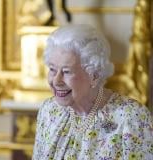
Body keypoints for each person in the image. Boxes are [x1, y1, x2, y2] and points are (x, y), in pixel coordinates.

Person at [32, 24, 153, 160]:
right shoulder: (49, 111)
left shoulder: (132, 118)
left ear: (94, 75)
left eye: (67, 71)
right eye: (52, 69)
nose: (56, 81)